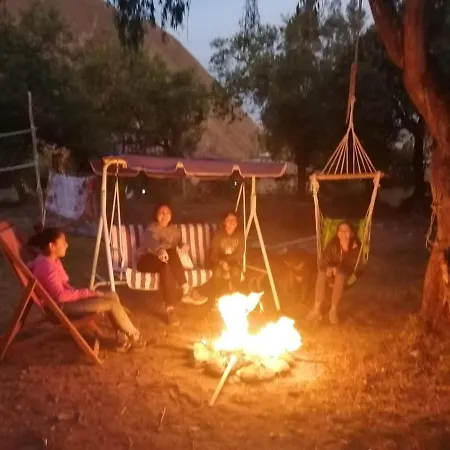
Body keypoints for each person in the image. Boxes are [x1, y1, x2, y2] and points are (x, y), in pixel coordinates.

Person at [27, 226, 146, 352]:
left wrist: (89, 294)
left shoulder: (50, 260)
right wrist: (88, 293)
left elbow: (63, 283)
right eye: (63, 242)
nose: (67, 245)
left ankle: (121, 340)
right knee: (111, 303)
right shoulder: (47, 267)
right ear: (51, 246)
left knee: (112, 295)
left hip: (63, 304)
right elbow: (60, 296)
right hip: (59, 308)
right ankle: (136, 337)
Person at [136, 203, 207, 326]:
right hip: (146, 261)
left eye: (167, 212)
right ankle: (186, 289)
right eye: (161, 212)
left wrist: (183, 245)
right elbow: (150, 241)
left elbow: (178, 242)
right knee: (170, 252)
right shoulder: (151, 228)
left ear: (171, 215)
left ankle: (170, 311)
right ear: (156, 214)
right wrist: (159, 250)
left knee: (166, 267)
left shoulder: (174, 230)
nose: (164, 215)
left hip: (164, 262)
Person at [307, 221, 361, 325]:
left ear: (352, 234)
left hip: (345, 273)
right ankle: (316, 309)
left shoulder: (355, 247)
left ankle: (333, 310)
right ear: (337, 234)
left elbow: (353, 265)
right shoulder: (332, 245)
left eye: (346, 230)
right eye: (341, 230)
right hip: (330, 273)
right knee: (321, 273)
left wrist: (338, 269)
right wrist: (329, 267)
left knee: (340, 275)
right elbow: (324, 261)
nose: (343, 233)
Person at [209, 210, 245, 298]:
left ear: (237, 222)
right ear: (224, 222)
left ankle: (235, 294)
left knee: (236, 271)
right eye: (229, 220)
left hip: (233, 262)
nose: (232, 222)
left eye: (234, 220)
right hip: (219, 262)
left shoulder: (240, 235)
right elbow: (213, 254)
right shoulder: (218, 235)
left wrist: (227, 262)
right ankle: (220, 295)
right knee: (217, 272)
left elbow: (240, 253)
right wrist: (222, 262)